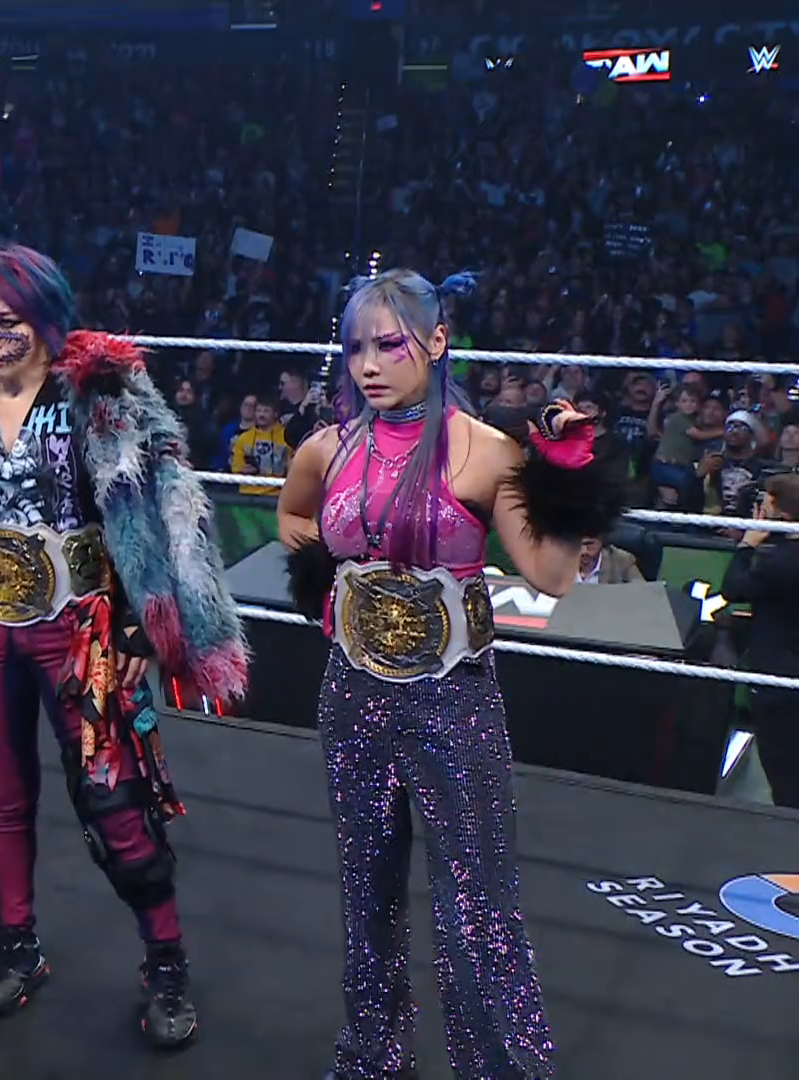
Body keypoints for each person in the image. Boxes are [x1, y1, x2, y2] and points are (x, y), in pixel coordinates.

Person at [0, 245, 249, 1049]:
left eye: (7, 323)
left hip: (78, 629)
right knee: (3, 800)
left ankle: (166, 961)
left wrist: (139, 620)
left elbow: (155, 507)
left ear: (46, 319)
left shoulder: (99, 394)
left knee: (116, 800)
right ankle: (15, 942)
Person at [275, 270, 626, 1080]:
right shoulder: (328, 447)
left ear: (436, 342)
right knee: (366, 887)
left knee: (477, 905)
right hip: (352, 695)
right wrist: (333, 585)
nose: (369, 364)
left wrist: (566, 477)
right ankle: (374, 1053)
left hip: (452, 702)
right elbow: (293, 513)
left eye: (388, 344)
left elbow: (552, 575)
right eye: (355, 348)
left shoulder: (487, 451)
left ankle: (500, 1070)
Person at [722, 475, 799, 810]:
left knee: (784, 774)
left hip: (778, 678)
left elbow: (732, 589)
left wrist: (746, 545)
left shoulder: (781, 562)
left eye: (765, 505)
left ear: (781, 513)